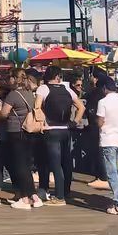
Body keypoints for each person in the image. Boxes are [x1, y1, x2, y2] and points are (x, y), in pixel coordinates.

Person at [36, 66, 83, 205]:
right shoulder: (67, 89)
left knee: (55, 163)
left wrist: (41, 123)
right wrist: (74, 122)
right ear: (58, 77)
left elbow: (37, 107)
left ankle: (59, 196)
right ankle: (66, 192)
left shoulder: (43, 89)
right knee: (66, 161)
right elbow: (81, 107)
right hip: (66, 129)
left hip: (51, 129)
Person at [0, 69, 39, 210]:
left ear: (14, 79)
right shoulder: (30, 94)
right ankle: (33, 196)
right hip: (30, 131)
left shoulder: (13, 95)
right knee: (26, 165)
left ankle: (25, 199)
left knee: (19, 166)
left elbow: (3, 113)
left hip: (15, 132)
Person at [95, 75, 118, 216]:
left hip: (108, 139)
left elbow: (100, 122)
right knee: (116, 171)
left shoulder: (102, 102)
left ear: (104, 88)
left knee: (111, 173)